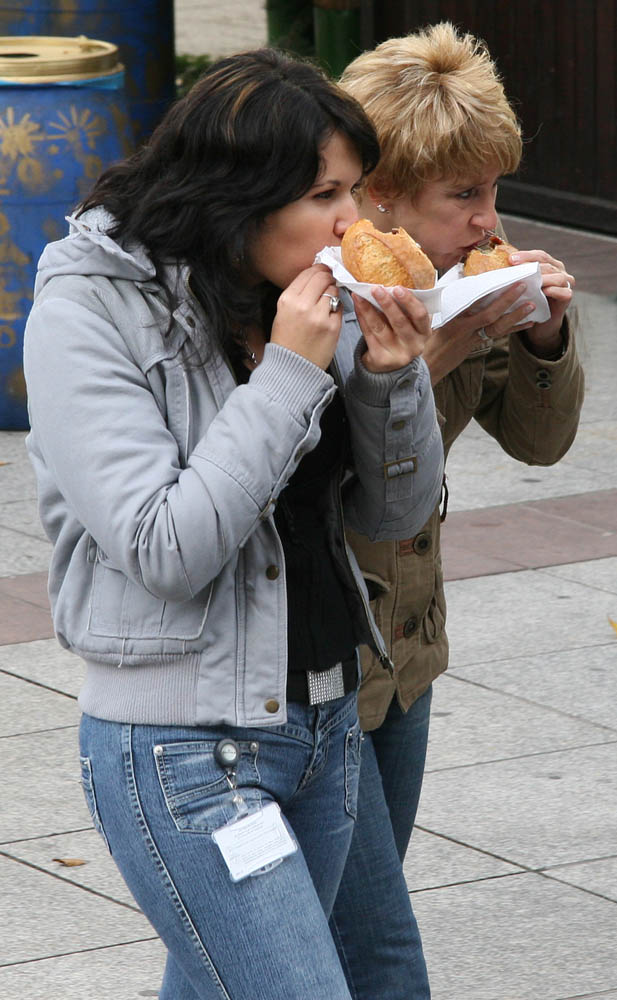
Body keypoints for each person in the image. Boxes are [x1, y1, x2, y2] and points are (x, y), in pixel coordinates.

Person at [23, 49, 445, 1000]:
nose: (352, 221)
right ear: (237, 195)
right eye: (323, 194)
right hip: (185, 750)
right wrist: (290, 374)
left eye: (354, 191)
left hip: (329, 721)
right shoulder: (87, 311)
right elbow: (165, 547)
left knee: (354, 979)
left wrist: (388, 377)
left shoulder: (295, 294)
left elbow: (393, 514)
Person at [330, 22, 585, 998]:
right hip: (322, 660)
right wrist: (438, 343)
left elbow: (541, 440)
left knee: (348, 907)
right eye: (462, 197)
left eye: (493, 191)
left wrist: (544, 334)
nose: (489, 221)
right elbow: (348, 466)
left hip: (409, 645)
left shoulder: (467, 282)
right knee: (372, 944)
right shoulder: (333, 297)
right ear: (380, 199)